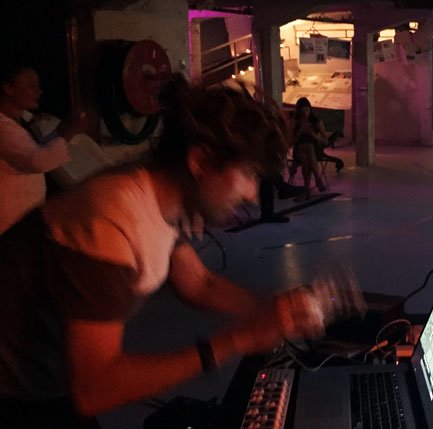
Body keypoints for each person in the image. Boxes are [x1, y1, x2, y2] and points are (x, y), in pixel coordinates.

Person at [0, 78, 363, 427]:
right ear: (201, 162)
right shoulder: (111, 223)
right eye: (249, 174)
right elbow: (95, 389)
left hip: (44, 381)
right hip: (15, 395)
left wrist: (276, 310)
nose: (253, 195)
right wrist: (237, 340)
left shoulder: (162, 196)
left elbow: (198, 283)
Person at [0, 59, 92, 234]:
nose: (39, 91)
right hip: (10, 224)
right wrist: (69, 132)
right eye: (31, 86)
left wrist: (61, 131)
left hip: (21, 222)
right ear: (8, 88)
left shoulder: (17, 123)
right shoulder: (3, 128)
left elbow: (35, 150)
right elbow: (37, 160)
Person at [290, 97, 344, 201]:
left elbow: (326, 142)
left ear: (310, 109)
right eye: (302, 111)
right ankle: (317, 178)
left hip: (315, 151)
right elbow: (289, 142)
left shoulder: (317, 122)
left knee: (308, 151)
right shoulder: (294, 122)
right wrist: (300, 132)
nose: (305, 113)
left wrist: (315, 136)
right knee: (306, 148)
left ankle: (306, 190)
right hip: (299, 152)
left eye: (307, 110)